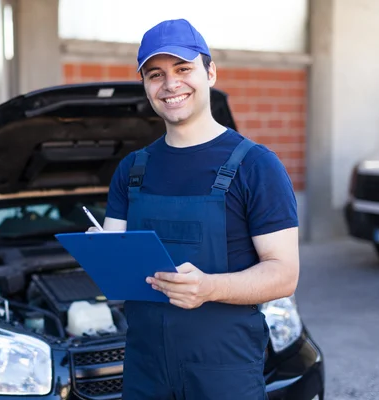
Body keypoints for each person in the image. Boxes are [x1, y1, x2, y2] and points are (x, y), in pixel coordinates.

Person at [98, 19, 300, 399]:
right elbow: (115, 265)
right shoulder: (132, 169)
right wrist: (100, 251)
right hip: (145, 369)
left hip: (223, 371)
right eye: (155, 74)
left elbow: (284, 275)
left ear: (210, 73)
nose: (170, 84)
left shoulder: (255, 165)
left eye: (183, 68)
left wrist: (210, 287)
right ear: (145, 85)